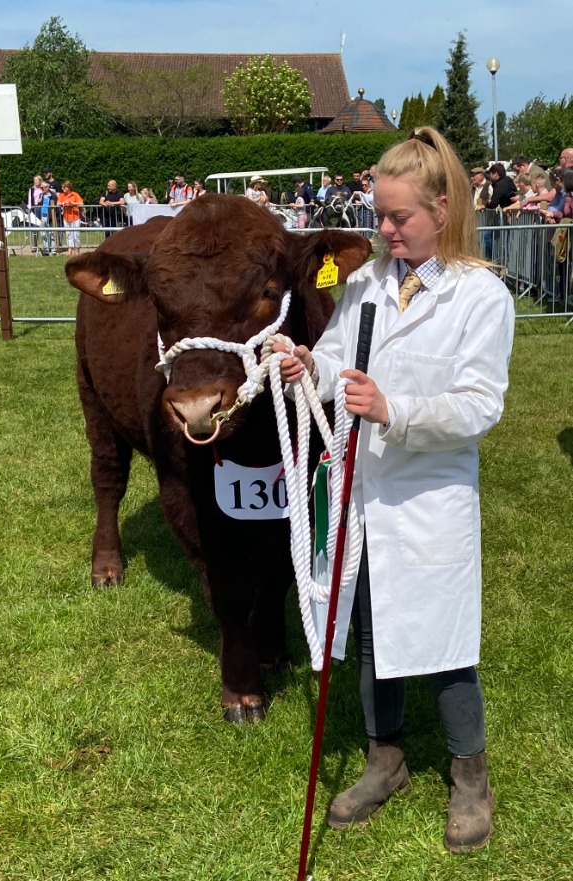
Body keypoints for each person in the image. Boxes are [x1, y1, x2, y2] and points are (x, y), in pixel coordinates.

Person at [274, 126, 514, 854]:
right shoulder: (369, 284)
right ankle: (385, 760)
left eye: (396, 216)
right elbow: (341, 366)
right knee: (371, 624)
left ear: (441, 210)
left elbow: (479, 405)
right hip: (363, 484)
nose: (382, 229)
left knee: (443, 639)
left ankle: (469, 776)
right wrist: (305, 365)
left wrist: (395, 412)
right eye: (377, 214)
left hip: (431, 493)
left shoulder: (480, 295)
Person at [57, 180, 84, 256]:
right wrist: (63, 203)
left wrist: (73, 204)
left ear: (68, 187)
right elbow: (58, 203)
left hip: (75, 217)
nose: (62, 189)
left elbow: (81, 203)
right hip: (66, 217)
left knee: (76, 234)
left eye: (64, 187)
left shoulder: (75, 195)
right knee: (68, 234)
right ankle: (70, 249)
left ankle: (77, 250)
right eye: (62, 187)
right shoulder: (62, 195)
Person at [36, 180, 58, 255]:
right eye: (41, 188)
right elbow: (39, 205)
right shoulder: (41, 195)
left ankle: (53, 250)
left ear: (47, 188)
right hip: (43, 216)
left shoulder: (53, 195)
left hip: (50, 216)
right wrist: (39, 202)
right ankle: (46, 250)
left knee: (52, 233)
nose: (41, 190)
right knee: (43, 233)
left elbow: (55, 206)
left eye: (43, 188)